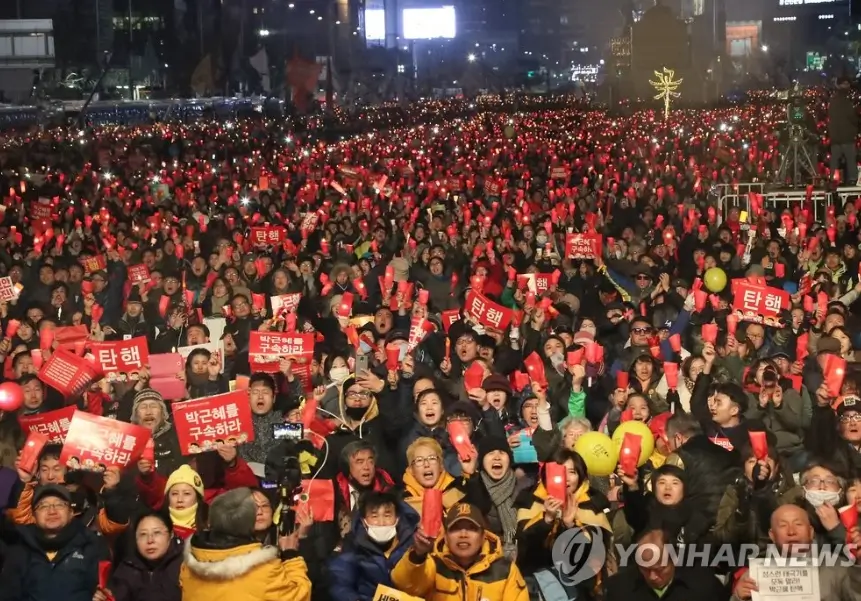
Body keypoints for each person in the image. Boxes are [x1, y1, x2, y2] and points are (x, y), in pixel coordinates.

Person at [179, 487, 312, 601]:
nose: (259, 512)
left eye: (264, 506)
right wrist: (290, 555)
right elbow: (299, 595)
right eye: (254, 509)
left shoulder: (190, 563)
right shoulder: (262, 569)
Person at [391, 502, 529, 601]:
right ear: (445, 537)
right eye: (455, 528)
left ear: (483, 536)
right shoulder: (432, 564)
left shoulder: (505, 571)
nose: (463, 534)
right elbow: (404, 584)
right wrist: (418, 555)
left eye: (471, 528)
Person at [0, 484, 111, 601]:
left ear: (71, 513)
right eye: (43, 506)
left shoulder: (91, 545)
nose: (52, 511)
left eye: (59, 505)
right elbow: (8, 594)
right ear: (34, 516)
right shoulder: (20, 547)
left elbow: (104, 590)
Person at [731, 504, 861, 601]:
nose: (791, 531)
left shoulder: (837, 568)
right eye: (783, 525)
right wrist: (738, 597)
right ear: (772, 535)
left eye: (798, 524)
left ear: (811, 532)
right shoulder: (755, 575)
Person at [328, 491, 419, 601]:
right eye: (374, 516)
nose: (381, 522)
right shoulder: (353, 545)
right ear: (364, 520)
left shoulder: (414, 543)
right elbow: (340, 582)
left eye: (387, 515)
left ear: (397, 518)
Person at [604, 528, 728, 601]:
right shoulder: (619, 589)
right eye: (645, 569)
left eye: (660, 569)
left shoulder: (704, 585)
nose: (652, 576)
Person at [94, 510, 183, 601]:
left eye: (157, 533)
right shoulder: (127, 568)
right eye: (143, 534)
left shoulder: (184, 566)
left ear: (171, 535)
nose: (150, 540)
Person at [829, 77, 859, 186]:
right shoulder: (846, 101)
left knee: (834, 160)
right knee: (850, 159)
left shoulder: (833, 101)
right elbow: (852, 117)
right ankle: (852, 179)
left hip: (835, 137)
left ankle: (832, 178)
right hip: (847, 136)